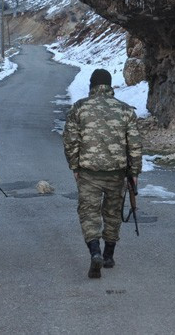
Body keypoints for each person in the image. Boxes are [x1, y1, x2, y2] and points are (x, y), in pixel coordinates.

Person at [63, 68, 142, 279]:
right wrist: (134, 172)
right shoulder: (125, 111)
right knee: (113, 213)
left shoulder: (79, 108)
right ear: (110, 86)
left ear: (91, 86)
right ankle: (108, 255)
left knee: (89, 213)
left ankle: (94, 251)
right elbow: (134, 145)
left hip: (89, 173)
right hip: (117, 174)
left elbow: (71, 141)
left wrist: (75, 167)